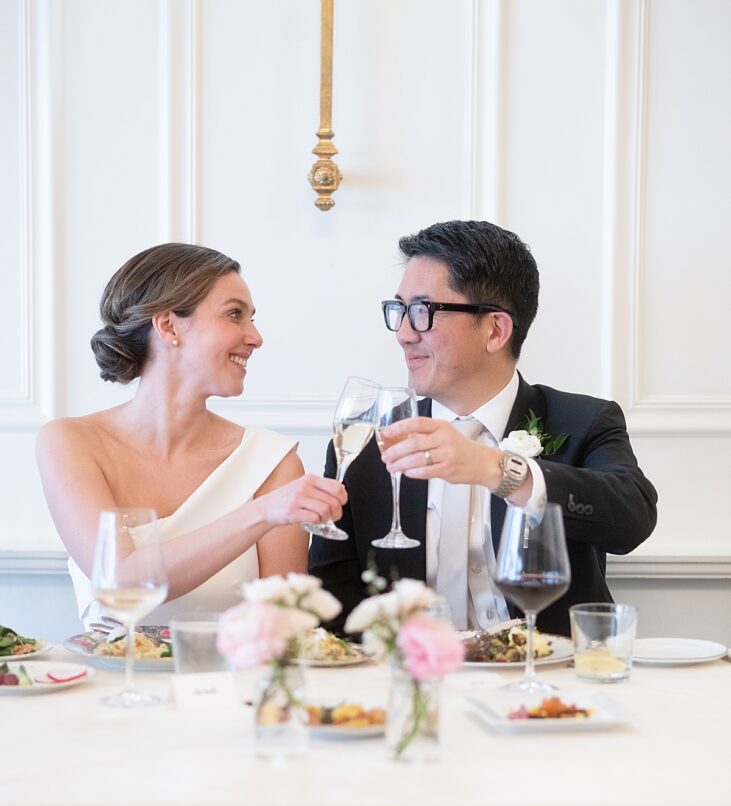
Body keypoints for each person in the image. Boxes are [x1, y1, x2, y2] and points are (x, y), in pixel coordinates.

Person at [308, 220, 658, 636]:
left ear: (495, 330)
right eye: (399, 309)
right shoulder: (369, 442)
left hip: (550, 684)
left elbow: (632, 518)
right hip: (414, 684)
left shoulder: (582, 421)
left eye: (422, 311)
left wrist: (496, 470)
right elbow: (332, 605)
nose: (403, 333)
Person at [37, 242, 346, 626]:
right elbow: (120, 583)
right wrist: (262, 512)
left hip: (234, 685)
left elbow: (285, 626)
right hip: (112, 683)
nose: (255, 337)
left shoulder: (272, 464)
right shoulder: (71, 442)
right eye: (235, 314)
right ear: (168, 326)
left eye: (252, 318)